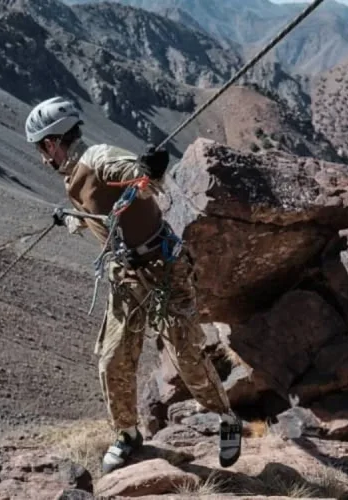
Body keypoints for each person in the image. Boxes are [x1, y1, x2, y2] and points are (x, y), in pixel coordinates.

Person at [25, 96, 243, 473]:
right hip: (126, 276)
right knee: (112, 359)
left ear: (50, 143)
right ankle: (127, 433)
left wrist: (150, 170)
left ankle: (227, 418)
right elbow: (99, 213)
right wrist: (71, 220)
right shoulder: (74, 176)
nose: (44, 159)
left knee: (188, 356)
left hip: (164, 267)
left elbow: (139, 180)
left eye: (43, 150)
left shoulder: (99, 158)